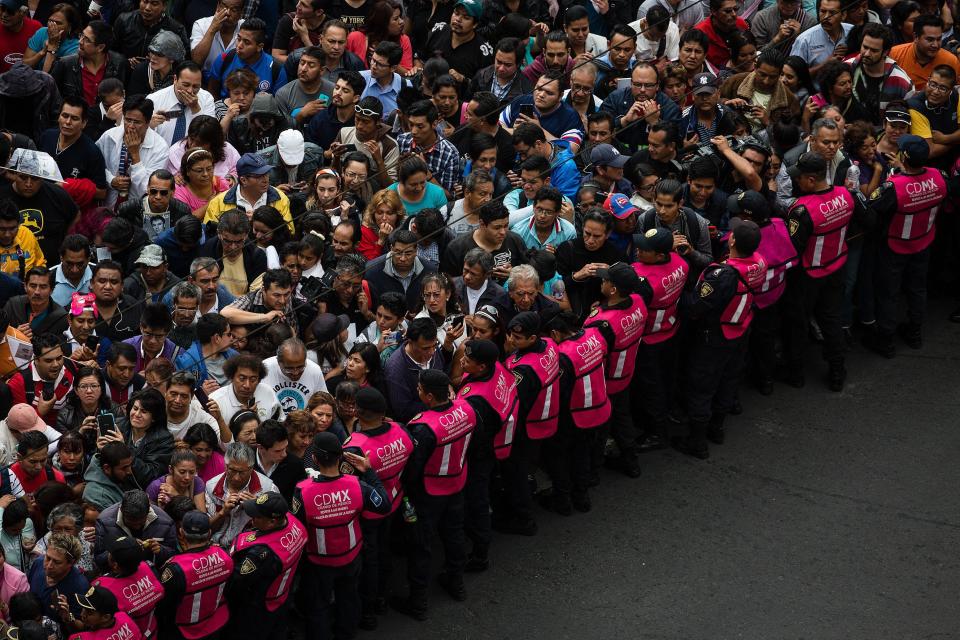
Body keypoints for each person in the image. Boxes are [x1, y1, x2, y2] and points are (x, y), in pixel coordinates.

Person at [782, 152, 872, 392]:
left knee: (798, 323)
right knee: (831, 321)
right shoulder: (846, 195)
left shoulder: (802, 210)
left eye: (799, 178)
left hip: (808, 275)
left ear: (811, 180)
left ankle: (795, 372)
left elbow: (793, 249)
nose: (796, 182)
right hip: (837, 267)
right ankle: (837, 372)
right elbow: (869, 219)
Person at [391, 370, 475, 619]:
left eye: (419, 389)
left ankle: (418, 602)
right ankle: (456, 582)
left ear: (428, 396)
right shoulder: (466, 409)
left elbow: (413, 469)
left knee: (421, 545)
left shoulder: (423, 426)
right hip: (457, 482)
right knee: (454, 536)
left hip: (429, 494)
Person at [292, 431, 389, 640]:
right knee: (349, 599)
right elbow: (383, 505)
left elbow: (297, 528)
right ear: (341, 457)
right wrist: (369, 471)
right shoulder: (358, 485)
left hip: (318, 561)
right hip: (351, 557)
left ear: (315, 459)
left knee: (318, 606)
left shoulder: (303, 490)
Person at [866, 135, 950, 355]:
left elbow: (872, 206)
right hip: (924, 241)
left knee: (889, 293)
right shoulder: (940, 177)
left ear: (903, 156)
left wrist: (895, 172)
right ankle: (914, 332)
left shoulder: (894, 187)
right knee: (917, 289)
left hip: (895, 246)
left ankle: (886, 340)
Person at [226, 492, 306, 640]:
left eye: (257, 517)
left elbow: (236, 582)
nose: (252, 519)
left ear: (272, 522)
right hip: (283, 592)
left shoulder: (261, 554)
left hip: (258, 604)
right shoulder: (293, 520)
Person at [157, 511, 233, 640]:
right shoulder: (225, 555)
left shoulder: (176, 569)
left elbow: (164, 605)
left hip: (185, 630)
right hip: (218, 621)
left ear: (181, 532)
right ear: (209, 533)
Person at [96, 95, 170, 209]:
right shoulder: (109, 136)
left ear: (148, 122)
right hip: (108, 206)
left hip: (139, 210)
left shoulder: (160, 148)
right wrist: (111, 180)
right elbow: (95, 167)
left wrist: (135, 154)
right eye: (127, 120)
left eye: (137, 122)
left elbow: (148, 189)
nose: (131, 126)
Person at [92, 536, 165, 640]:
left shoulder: (103, 587)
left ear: (115, 565)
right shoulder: (149, 568)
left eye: (110, 553)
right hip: (152, 631)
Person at [600, 63, 681, 154]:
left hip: (651, 161)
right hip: (616, 157)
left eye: (648, 85)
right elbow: (599, 130)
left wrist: (655, 123)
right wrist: (624, 120)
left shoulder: (670, 108)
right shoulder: (615, 98)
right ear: (631, 83)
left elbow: (674, 145)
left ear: (657, 86)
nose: (642, 90)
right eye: (637, 84)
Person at [37, 97, 108, 200]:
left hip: (69, 207)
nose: (68, 122)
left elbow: (102, 192)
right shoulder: (47, 136)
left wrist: (71, 187)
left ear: (84, 123)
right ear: (58, 117)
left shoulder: (92, 152)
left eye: (74, 118)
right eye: (65, 116)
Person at [441, 201, 527, 285]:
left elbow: (529, 273)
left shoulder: (515, 241)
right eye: (497, 228)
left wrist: (514, 275)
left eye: (506, 226)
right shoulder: (457, 248)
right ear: (482, 224)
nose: (503, 232)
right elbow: (449, 283)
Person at [383, 317, 445, 422]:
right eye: (425, 348)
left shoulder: (432, 347)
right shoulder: (395, 368)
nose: (432, 352)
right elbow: (404, 410)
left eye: (434, 345)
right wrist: (439, 404)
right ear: (410, 342)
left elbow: (442, 372)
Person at [93, 489, 178, 567]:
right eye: (130, 523)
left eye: (141, 523)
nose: (136, 527)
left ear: (148, 511)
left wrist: (161, 550)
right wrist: (120, 548)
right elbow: (99, 559)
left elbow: (175, 555)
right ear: (122, 510)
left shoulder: (166, 522)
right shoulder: (104, 522)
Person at [207, 18, 286, 99]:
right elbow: (212, 95)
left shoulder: (276, 69)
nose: (239, 45)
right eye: (239, 39)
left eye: (246, 42)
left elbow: (278, 104)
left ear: (259, 47)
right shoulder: (224, 59)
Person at [889, 14, 960, 92]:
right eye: (930, 40)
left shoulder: (950, 61)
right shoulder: (894, 54)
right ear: (915, 37)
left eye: (939, 39)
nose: (935, 45)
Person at [906, 64, 960, 163]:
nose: (935, 91)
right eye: (933, 84)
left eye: (943, 88)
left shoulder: (956, 96)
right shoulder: (915, 107)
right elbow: (929, 151)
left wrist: (946, 139)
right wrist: (955, 141)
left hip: (956, 159)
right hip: (930, 165)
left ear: (951, 91)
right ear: (928, 81)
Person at [210, 354, 285, 425]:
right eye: (242, 379)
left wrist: (256, 419)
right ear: (232, 377)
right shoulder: (216, 400)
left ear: (259, 380)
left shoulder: (267, 392)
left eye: (253, 380)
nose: (247, 385)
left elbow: (279, 423)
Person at [263, 338, 328, 413]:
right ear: (279, 362)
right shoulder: (265, 369)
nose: (295, 373)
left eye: (300, 367)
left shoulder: (314, 370)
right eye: (289, 369)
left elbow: (323, 401)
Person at [788, 0, 853, 75]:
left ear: (844, 15)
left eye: (832, 13)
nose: (826, 17)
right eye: (823, 11)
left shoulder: (852, 32)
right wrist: (824, 65)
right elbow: (793, 75)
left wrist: (851, 50)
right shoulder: (804, 40)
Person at [3, 267, 67, 338]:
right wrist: (14, 335)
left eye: (43, 287)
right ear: (25, 286)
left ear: (51, 290)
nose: (37, 292)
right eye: (33, 286)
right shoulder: (13, 305)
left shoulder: (61, 317)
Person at [190, 0, 244, 73]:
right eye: (224, 6)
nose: (227, 13)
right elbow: (196, 62)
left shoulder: (246, 28)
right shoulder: (201, 25)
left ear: (241, 13)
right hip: (204, 80)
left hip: (235, 81)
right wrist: (212, 29)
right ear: (218, 6)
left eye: (234, 10)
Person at [81, 442, 136, 513]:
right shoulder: (97, 497)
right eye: (124, 468)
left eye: (130, 465)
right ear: (107, 468)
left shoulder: (119, 477)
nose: (129, 472)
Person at [751, 0, 816, 49]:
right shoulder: (762, 18)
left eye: (794, 2)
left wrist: (799, 37)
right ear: (777, 1)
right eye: (785, 1)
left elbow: (811, 53)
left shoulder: (810, 22)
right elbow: (757, 53)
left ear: (800, 2)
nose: (789, 6)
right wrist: (777, 39)